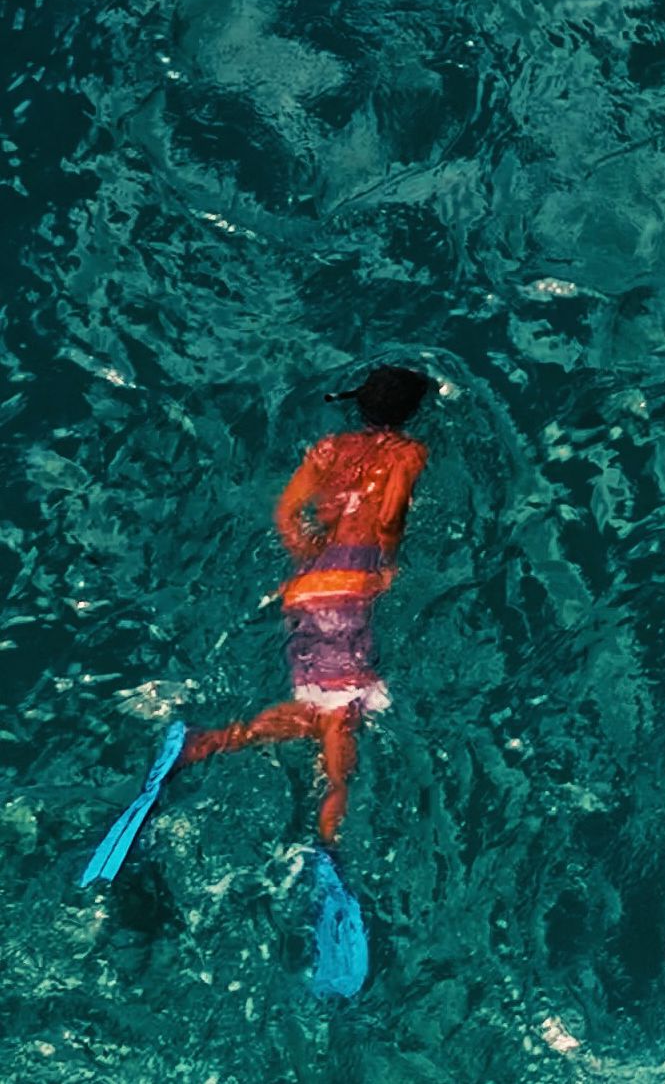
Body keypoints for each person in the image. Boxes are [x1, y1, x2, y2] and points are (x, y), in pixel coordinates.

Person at [78, 367, 434, 998]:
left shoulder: (326, 450)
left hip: (307, 590)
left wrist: (310, 559)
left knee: (320, 711)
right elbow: (390, 515)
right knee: (340, 733)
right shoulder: (407, 452)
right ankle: (326, 848)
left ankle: (203, 743)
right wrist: (385, 567)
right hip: (353, 591)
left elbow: (286, 514)